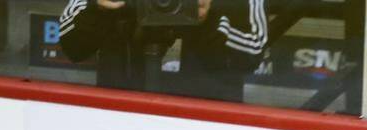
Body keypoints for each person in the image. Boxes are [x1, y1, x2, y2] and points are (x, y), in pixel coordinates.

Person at [57, 0, 268, 102]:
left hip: (205, 124)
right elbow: (73, 47)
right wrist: (99, 8)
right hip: (120, 115)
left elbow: (253, 50)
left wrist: (209, 21)